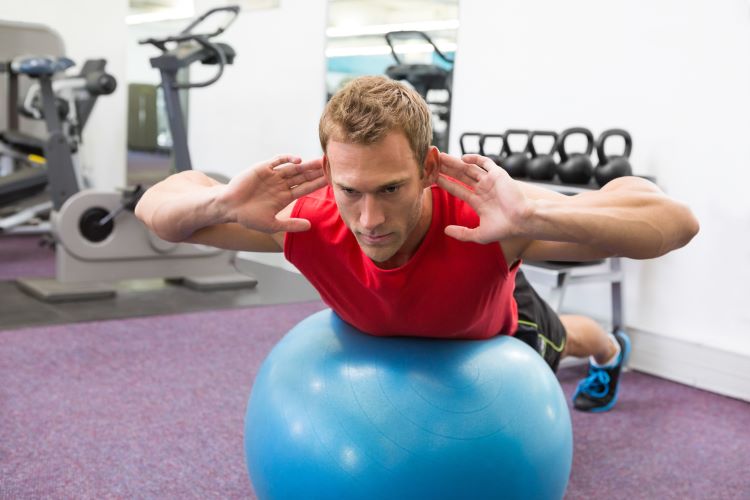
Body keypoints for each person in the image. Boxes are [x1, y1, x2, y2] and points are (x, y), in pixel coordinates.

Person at [135, 76, 699, 412]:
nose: (371, 217)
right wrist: (222, 203)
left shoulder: (492, 217)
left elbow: (673, 222)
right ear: (328, 168)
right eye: (351, 189)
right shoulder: (300, 219)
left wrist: (533, 215)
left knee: (569, 337)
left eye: (392, 188)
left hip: (494, 325)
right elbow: (159, 206)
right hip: (406, 320)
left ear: (429, 167)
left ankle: (610, 349)